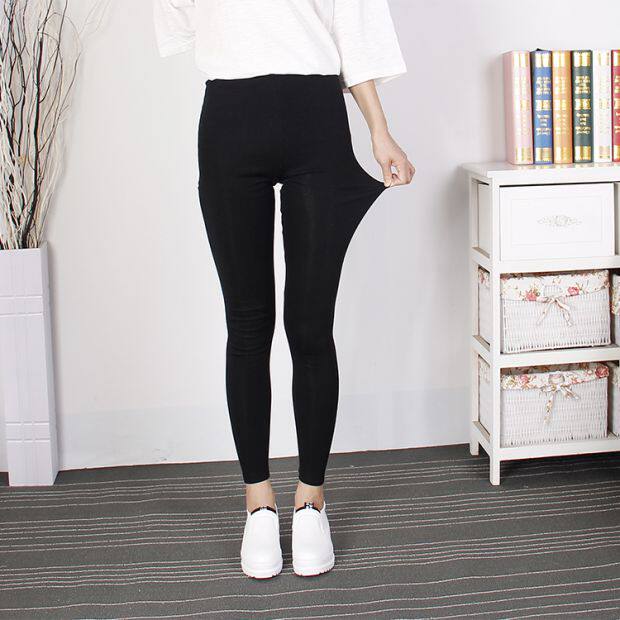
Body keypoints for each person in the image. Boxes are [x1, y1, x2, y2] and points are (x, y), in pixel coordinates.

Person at [153, 0, 414, 579]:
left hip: (316, 120)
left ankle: (311, 502)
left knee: (311, 327)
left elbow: (352, 27)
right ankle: (259, 507)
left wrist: (380, 131)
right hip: (230, 119)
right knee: (248, 326)